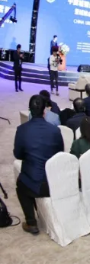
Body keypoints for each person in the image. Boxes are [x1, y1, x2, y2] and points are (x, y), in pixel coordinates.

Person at [14, 95, 64, 234]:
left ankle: (31, 223)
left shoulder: (22, 130)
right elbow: (60, 154)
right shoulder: (55, 130)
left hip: (34, 184)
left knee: (20, 186)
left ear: (29, 110)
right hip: (54, 181)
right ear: (44, 111)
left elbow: (18, 155)